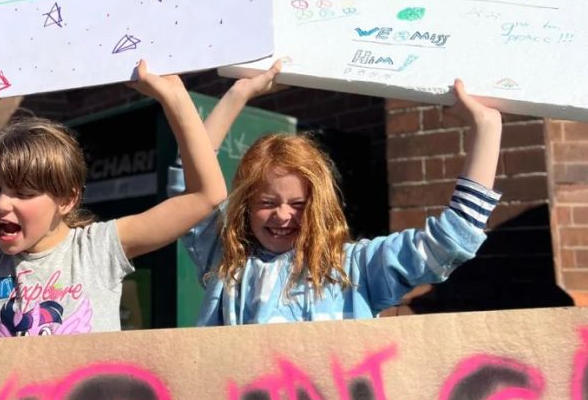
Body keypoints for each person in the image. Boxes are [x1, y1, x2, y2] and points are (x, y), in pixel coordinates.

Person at [0, 60, 226, 337]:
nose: (2, 204)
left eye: (24, 193)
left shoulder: (99, 248)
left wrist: (174, 97)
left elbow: (206, 194)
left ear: (67, 199)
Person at [170, 64, 504, 325]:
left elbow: (448, 243)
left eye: (298, 204)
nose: (283, 215)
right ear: (245, 207)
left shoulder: (355, 268)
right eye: (267, 203)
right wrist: (238, 94)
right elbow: (191, 185)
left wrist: (487, 128)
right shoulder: (229, 263)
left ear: (320, 206)